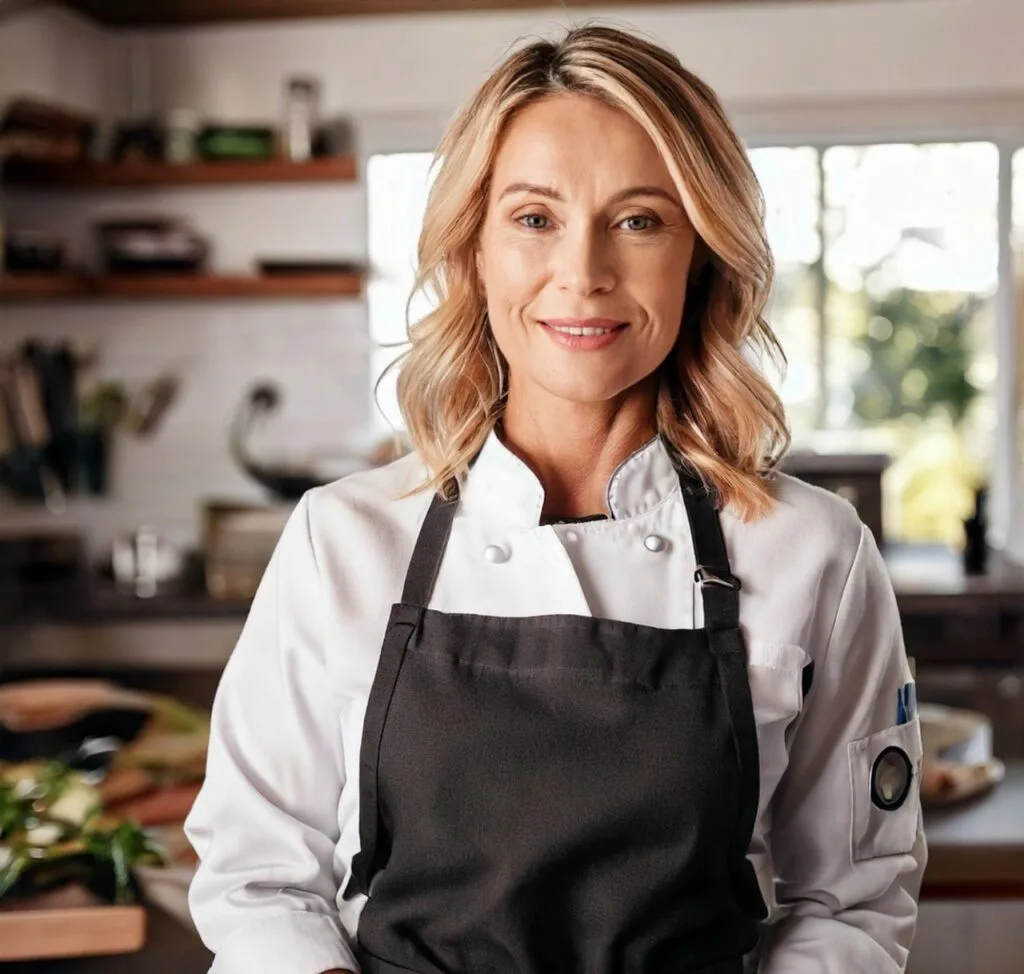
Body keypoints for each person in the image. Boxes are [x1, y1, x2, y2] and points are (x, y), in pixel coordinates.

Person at [184, 23, 926, 974]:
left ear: (700, 252)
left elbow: (854, 905)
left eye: (640, 219)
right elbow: (257, 881)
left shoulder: (813, 552)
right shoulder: (344, 540)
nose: (583, 273)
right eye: (535, 218)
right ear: (476, 249)